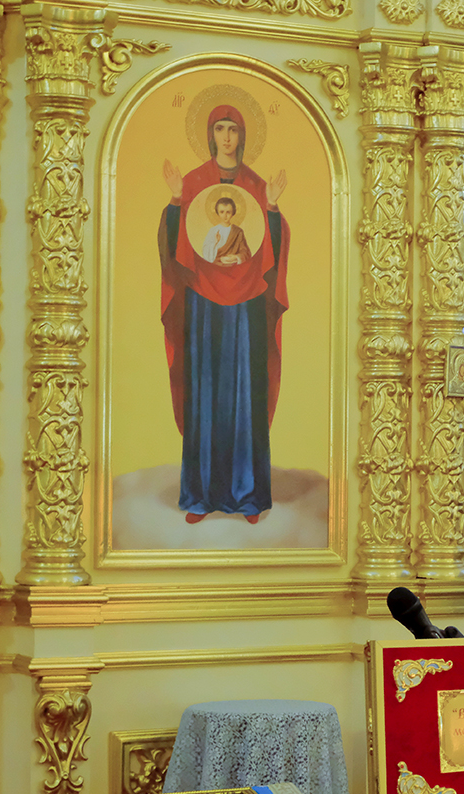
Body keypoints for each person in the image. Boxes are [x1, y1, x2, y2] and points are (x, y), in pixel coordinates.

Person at [159, 102, 289, 524]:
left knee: (246, 392)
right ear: (211, 134)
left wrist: (272, 208)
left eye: (233, 129)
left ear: (243, 135)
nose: (227, 137)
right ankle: (201, 495)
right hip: (203, 306)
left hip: (247, 307)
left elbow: (272, 251)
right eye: (220, 128)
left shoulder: (257, 185)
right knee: (205, 391)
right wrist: (176, 200)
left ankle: (247, 496)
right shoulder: (194, 183)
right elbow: (175, 246)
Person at [201, 196, 252, 266]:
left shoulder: (238, 231)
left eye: (228, 212)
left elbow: (245, 252)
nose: (225, 215)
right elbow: (206, 252)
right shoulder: (213, 230)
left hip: (233, 265)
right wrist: (215, 242)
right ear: (217, 212)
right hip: (216, 265)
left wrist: (236, 257)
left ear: (233, 213)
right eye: (222, 212)